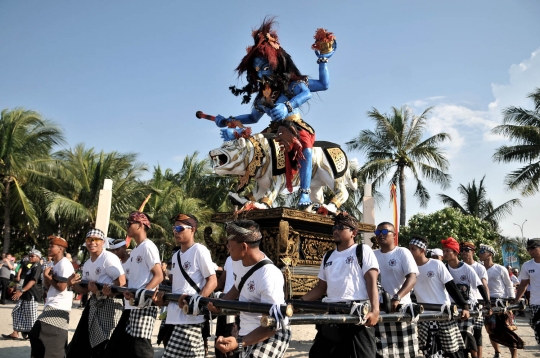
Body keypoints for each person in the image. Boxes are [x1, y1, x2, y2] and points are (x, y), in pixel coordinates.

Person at [214, 18, 336, 208]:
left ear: (276, 63)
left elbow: (314, 90)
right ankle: (253, 194)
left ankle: (304, 193)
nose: (261, 74)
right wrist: (229, 120)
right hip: (274, 130)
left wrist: (323, 60)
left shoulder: (292, 83)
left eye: (264, 67)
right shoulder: (263, 96)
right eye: (257, 70)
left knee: (304, 147)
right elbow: (253, 118)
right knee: (254, 150)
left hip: (294, 126)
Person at [301, 212, 379, 358]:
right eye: (334, 227)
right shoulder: (328, 256)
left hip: (357, 313)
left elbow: (371, 281)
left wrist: (375, 311)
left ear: (353, 232)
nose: (336, 230)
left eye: (341, 227)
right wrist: (299, 302)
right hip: (332, 313)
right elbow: (321, 288)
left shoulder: (362, 250)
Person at [210, 220, 291, 357]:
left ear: (244, 247)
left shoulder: (269, 275)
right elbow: (238, 286)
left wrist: (239, 343)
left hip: (272, 333)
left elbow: (271, 325)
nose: (227, 248)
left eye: (230, 245)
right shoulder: (237, 262)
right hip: (246, 331)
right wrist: (220, 305)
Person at [152, 213, 217, 357]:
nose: (175, 231)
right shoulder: (176, 256)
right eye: (174, 228)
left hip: (189, 318)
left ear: (192, 229)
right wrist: (164, 301)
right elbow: (177, 287)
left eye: (180, 228)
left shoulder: (199, 250)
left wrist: (195, 302)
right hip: (174, 317)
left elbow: (212, 281)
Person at [103, 211, 163, 358]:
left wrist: (141, 294)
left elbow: (159, 275)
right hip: (131, 305)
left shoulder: (148, 247)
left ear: (140, 225)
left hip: (143, 306)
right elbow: (130, 279)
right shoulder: (136, 249)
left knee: (140, 349)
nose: (127, 226)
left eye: (130, 223)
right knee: (123, 348)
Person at [66, 228, 126, 357]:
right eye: (89, 240)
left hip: (110, 304)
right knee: (83, 341)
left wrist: (101, 292)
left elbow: (121, 282)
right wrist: (73, 284)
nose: (92, 242)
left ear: (103, 242)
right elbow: (85, 289)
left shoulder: (108, 258)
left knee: (104, 342)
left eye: (96, 240)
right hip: (94, 303)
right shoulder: (87, 263)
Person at [409, 236, 467, 358]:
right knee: (429, 351)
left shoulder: (436, 264)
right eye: (409, 249)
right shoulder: (410, 268)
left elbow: (451, 286)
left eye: (413, 249)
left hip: (443, 314)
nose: (410, 252)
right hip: (424, 316)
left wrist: (464, 306)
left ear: (422, 250)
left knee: (452, 350)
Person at [373, 222, 419, 358]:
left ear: (394, 235)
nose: (380, 235)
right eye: (378, 232)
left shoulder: (402, 252)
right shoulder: (372, 254)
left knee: (405, 352)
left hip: (400, 308)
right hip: (379, 309)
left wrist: (397, 297)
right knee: (382, 352)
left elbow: (412, 277)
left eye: (385, 232)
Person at [442, 237, 490, 358]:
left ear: (455, 252)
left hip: (468, 306)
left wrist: (487, 302)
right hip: (451, 307)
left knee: (466, 334)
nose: (445, 254)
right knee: (454, 337)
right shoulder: (444, 268)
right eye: (444, 251)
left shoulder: (467, 269)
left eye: (448, 251)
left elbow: (480, 286)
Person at [29, 236, 74, 358]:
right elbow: (49, 287)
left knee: (45, 336)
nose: (49, 248)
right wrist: (47, 277)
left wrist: (48, 277)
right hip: (51, 303)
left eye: (51, 246)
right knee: (39, 336)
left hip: (59, 306)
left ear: (60, 249)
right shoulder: (53, 263)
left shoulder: (65, 264)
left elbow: (62, 287)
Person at [478, 244, 521, 358]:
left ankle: (514, 356)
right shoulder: (479, 268)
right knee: (490, 329)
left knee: (508, 329)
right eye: (480, 251)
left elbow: (508, 285)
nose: (480, 253)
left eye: (483, 251)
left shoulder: (500, 268)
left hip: (502, 302)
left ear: (490, 254)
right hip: (487, 303)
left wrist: (511, 300)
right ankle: (497, 353)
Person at [2, 248, 43, 340]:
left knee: (31, 315)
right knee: (17, 311)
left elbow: (33, 281)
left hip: (32, 294)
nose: (30, 257)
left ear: (38, 257)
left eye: (32, 256)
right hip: (25, 293)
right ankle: (16, 332)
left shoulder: (37, 267)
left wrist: (22, 291)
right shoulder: (30, 266)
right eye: (29, 256)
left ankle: (32, 334)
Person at [460, 241, 489, 358]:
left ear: (473, 252)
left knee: (477, 333)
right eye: (462, 250)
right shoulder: (459, 265)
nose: (464, 253)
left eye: (467, 250)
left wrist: (487, 302)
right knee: (465, 332)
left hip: (478, 303)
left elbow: (484, 286)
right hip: (464, 303)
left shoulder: (479, 268)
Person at [514, 238, 540, 345]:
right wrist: (516, 301)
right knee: (538, 329)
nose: (530, 250)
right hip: (535, 303)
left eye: (533, 248)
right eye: (528, 248)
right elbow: (523, 285)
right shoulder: (527, 265)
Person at [214, 255, 239, 358]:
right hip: (224, 301)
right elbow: (222, 281)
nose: (228, 247)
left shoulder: (244, 260)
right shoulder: (228, 259)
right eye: (228, 244)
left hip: (235, 305)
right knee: (219, 337)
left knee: (231, 337)